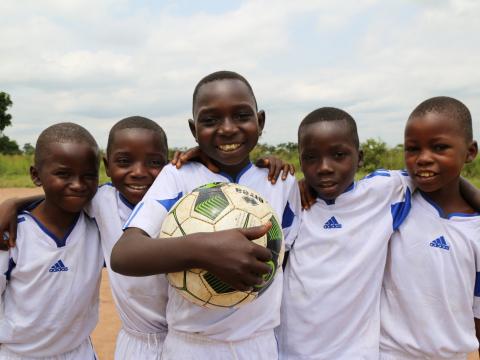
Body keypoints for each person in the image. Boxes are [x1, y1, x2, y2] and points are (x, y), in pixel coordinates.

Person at [0, 116, 293, 360]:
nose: (139, 173)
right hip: (137, 341)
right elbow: (66, 193)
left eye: (154, 163)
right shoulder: (101, 200)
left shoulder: (184, 201)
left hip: (185, 337)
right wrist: (13, 203)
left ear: (168, 164)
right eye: (125, 161)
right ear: (107, 164)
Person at [110, 70, 300, 360]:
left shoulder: (281, 182)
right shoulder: (177, 176)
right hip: (191, 346)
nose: (227, 129)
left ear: (260, 122)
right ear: (193, 129)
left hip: (259, 344)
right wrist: (202, 249)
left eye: (241, 116)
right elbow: (125, 255)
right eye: (210, 120)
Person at [277, 107, 414, 359]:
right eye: (311, 158)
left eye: (338, 155)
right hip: (293, 350)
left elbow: (438, 176)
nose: (325, 167)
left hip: (356, 351)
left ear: (359, 157)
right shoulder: (294, 201)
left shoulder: (384, 193)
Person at [380, 96, 480, 359]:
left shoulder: (475, 229)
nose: (423, 159)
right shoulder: (394, 199)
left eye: (439, 147)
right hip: (389, 353)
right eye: (412, 149)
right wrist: (304, 187)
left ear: (470, 152)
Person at [0, 123, 103, 359]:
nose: (78, 184)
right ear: (36, 175)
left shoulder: (97, 225)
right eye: (63, 174)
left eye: (88, 175)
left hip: (79, 352)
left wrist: (15, 201)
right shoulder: (13, 235)